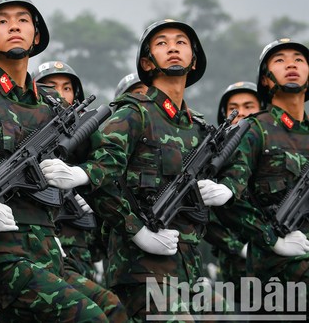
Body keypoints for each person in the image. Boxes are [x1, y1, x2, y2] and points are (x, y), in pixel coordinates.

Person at [0, 0, 124, 322]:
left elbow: (112, 151)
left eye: (23, 20)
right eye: (2, 21)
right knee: (90, 316)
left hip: (46, 250)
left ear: (36, 34)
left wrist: (83, 174)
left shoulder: (53, 106)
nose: (14, 27)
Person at [41, 19, 241, 320]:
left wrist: (228, 188)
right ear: (147, 61)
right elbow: (102, 178)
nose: (172, 47)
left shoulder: (198, 127)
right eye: (161, 43)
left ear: (194, 59)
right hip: (140, 269)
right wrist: (137, 231)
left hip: (186, 266)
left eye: (181, 42)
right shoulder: (133, 113)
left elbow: (242, 167)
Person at [216, 39, 309, 287]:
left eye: (299, 59)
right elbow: (228, 198)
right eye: (280, 60)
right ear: (266, 79)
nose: (291, 64)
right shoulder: (254, 129)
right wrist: (271, 238)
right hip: (275, 275)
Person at [34, 60, 105, 284]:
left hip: (76, 238)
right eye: (51, 87)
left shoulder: (84, 133)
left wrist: (83, 180)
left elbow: (107, 164)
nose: (60, 95)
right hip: (37, 236)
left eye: (67, 88)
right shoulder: (24, 129)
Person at [202, 81, 260, 308]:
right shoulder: (213, 159)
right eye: (234, 108)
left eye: (249, 106)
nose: (242, 113)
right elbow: (207, 217)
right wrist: (239, 248)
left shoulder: (277, 151)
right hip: (237, 268)